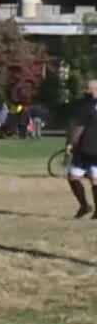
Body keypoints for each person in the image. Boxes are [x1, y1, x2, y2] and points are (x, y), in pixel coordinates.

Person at [65, 78, 97, 219]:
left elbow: (79, 127)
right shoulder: (88, 105)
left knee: (74, 177)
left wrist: (71, 143)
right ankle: (90, 208)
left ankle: (85, 206)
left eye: (88, 88)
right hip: (89, 149)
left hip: (86, 148)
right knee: (89, 178)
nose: (86, 91)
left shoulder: (86, 106)